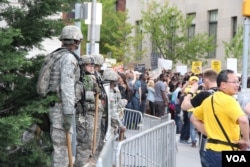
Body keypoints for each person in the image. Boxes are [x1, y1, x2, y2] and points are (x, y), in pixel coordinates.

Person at [191, 69, 250, 167]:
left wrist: (209, 132)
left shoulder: (209, 100)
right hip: (228, 149)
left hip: (211, 150)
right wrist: (246, 140)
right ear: (223, 85)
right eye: (234, 82)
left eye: (238, 81)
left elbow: (194, 118)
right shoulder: (229, 100)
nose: (237, 85)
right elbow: (243, 120)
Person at [43, 25, 83, 167]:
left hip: (52, 105)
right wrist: (68, 113)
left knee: (58, 147)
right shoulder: (67, 59)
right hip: (61, 108)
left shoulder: (55, 55)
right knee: (61, 148)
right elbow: (67, 87)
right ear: (76, 41)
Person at [181, 69, 218, 167]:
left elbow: (184, 106)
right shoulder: (226, 94)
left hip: (208, 136)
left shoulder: (205, 94)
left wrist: (191, 91)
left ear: (206, 80)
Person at [74, 55, 102, 166]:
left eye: (93, 65)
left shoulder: (93, 77)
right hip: (82, 114)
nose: (91, 67)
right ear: (82, 66)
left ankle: (85, 162)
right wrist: (90, 94)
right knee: (84, 142)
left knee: (90, 142)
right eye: (88, 65)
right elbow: (76, 96)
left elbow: (99, 92)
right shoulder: (79, 78)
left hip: (91, 113)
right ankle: (80, 164)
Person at [102, 68, 127, 133]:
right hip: (106, 123)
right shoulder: (109, 93)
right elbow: (112, 112)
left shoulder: (104, 90)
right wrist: (121, 125)